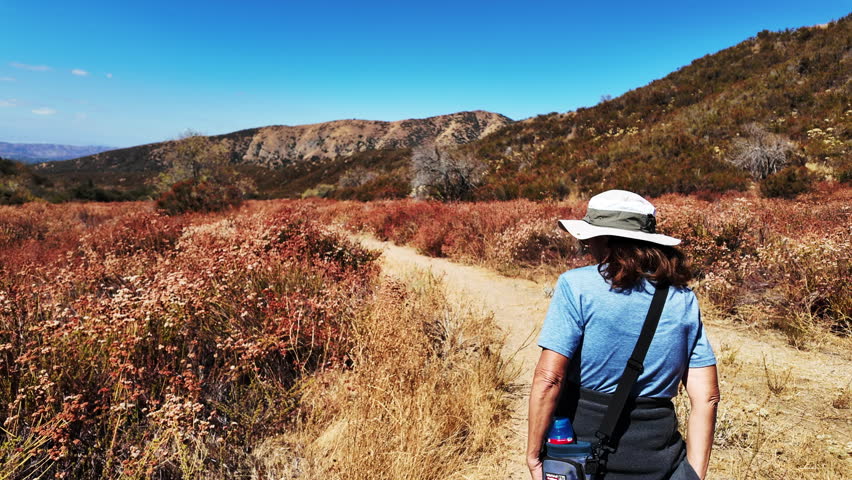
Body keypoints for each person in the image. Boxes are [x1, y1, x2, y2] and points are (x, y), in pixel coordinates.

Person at [526, 190, 720, 480]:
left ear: (605, 240)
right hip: (660, 458)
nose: (586, 245)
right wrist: (693, 474)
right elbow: (708, 397)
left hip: (580, 456)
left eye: (589, 238)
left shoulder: (576, 286)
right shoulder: (683, 298)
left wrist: (533, 453)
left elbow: (549, 378)